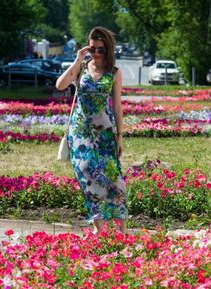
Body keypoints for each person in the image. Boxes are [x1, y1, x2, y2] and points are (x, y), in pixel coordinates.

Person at [56, 26, 127, 234]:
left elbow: (117, 106)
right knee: (87, 177)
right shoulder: (82, 67)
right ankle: (99, 228)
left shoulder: (113, 73)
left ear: (108, 49)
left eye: (101, 50)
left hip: (105, 134)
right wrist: (78, 60)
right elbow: (60, 85)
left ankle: (122, 228)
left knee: (113, 178)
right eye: (92, 48)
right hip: (80, 134)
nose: (96, 53)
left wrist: (120, 136)